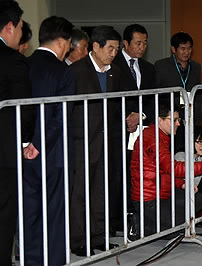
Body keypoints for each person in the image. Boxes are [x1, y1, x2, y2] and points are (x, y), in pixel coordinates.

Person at [23, 15, 74, 265]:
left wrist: (26, 143)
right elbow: (60, 116)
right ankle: (53, 260)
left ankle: (30, 259)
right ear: (64, 42)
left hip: (23, 150)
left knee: (29, 210)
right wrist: (39, 145)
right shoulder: (63, 71)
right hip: (52, 153)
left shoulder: (24, 64)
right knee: (54, 211)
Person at [130, 103, 202, 236]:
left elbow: (164, 171)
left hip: (158, 193)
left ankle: (152, 224)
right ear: (159, 120)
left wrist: (181, 184)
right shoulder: (153, 139)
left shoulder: (158, 137)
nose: (178, 124)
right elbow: (172, 167)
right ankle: (141, 224)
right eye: (173, 120)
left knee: (196, 200)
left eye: (178, 120)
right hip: (150, 199)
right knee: (176, 229)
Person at [70, 25, 121, 256]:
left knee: (102, 189)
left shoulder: (115, 72)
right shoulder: (77, 71)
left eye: (117, 49)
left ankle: (100, 236)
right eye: (110, 48)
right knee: (81, 191)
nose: (113, 53)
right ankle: (79, 239)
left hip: (106, 138)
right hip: (82, 140)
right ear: (96, 46)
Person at [111, 23, 156, 236]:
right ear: (126, 43)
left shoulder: (148, 68)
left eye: (145, 43)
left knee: (138, 170)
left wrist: (141, 115)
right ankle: (116, 218)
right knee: (118, 172)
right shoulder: (113, 64)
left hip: (141, 128)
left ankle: (134, 213)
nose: (142, 47)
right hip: (118, 129)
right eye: (138, 43)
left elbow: (153, 99)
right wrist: (125, 117)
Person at [0, 1, 36, 264]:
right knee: (4, 212)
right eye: (21, 27)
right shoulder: (13, 60)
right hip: (4, 151)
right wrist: (26, 141)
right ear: (10, 27)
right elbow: (23, 108)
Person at [155, 32, 201, 153]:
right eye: (183, 49)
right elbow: (156, 91)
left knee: (188, 150)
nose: (186, 52)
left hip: (189, 115)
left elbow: (198, 92)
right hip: (169, 116)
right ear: (173, 49)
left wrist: (198, 115)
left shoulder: (196, 67)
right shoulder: (161, 66)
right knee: (169, 150)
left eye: (189, 48)